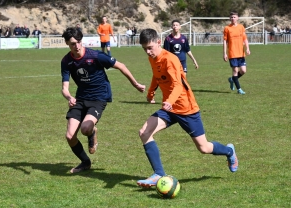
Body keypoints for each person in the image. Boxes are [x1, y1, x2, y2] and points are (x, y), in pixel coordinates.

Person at [136, 28, 238, 187]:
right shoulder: (153, 58)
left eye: (150, 48)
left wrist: (169, 100)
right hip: (168, 109)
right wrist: (151, 92)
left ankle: (229, 151)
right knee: (144, 132)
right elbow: (157, 76)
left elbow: (177, 85)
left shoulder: (170, 59)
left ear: (158, 42)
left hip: (186, 108)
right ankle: (158, 174)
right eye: (144, 49)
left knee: (204, 148)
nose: (148, 52)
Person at [61, 27, 145, 173]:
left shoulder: (96, 56)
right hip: (80, 98)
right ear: (67, 44)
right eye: (73, 44)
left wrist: (135, 84)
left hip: (99, 97)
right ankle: (85, 162)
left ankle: (92, 131)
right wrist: (69, 96)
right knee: (69, 136)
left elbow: (121, 66)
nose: (77, 46)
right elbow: (64, 87)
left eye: (79, 42)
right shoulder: (67, 61)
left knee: (85, 128)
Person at [223, 11, 250, 95]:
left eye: (234, 17)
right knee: (235, 70)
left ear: (237, 18)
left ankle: (232, 79)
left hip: (241, 53)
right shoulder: (227, 28)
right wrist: (224, 53)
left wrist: (247, 48)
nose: (233, 19)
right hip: (232, 53)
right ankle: (239, 89)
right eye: (231, 17)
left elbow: (245, 38)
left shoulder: (241, 27)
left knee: (243, 71)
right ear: (229, 18)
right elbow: (225, 41)